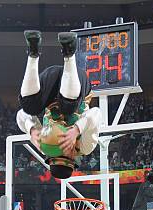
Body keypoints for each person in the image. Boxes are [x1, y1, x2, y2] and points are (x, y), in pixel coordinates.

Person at [16, 30, 101, 179]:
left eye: (57, 153)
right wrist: (76, 130)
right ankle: (69, 52)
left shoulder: (44, 145)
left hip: (51, 86)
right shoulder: (85, 147)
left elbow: (21, 115)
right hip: (78, 86)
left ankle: (33, 52)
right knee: (69, 108)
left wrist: (31, 131)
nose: (61, 149)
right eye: (65, 154)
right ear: (73, 158)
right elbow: (96, 113)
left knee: (29, 106)